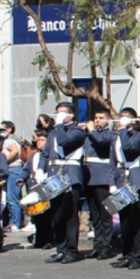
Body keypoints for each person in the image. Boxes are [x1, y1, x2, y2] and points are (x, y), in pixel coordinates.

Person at [39, 102, 87, 264]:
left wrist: (60, 125)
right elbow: (46, 153)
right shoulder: (53, 133)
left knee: (70, 216)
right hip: (54, 177)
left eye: (62, 113)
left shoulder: (78, 131)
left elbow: (64, 142)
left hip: (70, 175)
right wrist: (41, 170)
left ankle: (72, 250)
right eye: (57, 113)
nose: (58, 116)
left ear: (71, 115)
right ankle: (61, 248)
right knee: (57, 216)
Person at [112, 108, 140, 270]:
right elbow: (112, 160)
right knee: (124, 220)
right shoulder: (117, 137)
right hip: (120, 178)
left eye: (126, 118)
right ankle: (126, 254)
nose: (122, 121)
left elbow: (129, 150)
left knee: (135, 221)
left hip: (134, 178)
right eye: (121, 118)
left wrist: (122, 130)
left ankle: (137, 255)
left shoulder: (137, 136)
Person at [82, 107, 118, 260]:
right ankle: (97, 245)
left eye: (101, 118)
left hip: (103, 178)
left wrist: (91, 131)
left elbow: (101, 142)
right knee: (95, 215)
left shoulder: (110, 134)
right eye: (96, 117)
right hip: (90, 178)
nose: (97, 120)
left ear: (108, 121)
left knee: (105, 215)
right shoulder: (90, 135)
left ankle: (106, 246)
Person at [17, 130, 54, 249]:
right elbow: (27, 169)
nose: (39, 142)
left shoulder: (50, 155)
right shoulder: (34, 154)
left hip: (45, 186)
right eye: (38, 140)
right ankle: (39, 240)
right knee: (36, 216)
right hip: (33, 186)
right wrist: (22, 179)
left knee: (47, 215)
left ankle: (49, 240)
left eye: (42, 140)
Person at [0, 121, 23, 232]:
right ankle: (8, 222)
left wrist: (3, 161)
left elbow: (14, 151)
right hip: (9, 170)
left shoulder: (9, 141)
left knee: (13, 198)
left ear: (8, 130)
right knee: (7, 198)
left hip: (14, 169)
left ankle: (15, 223)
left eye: (1, 130)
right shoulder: (3, 142)